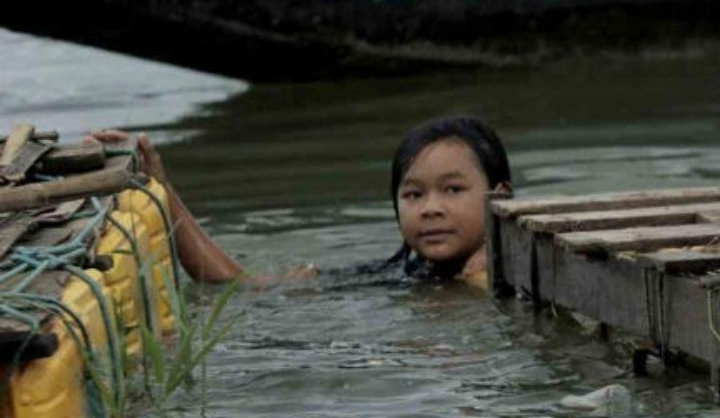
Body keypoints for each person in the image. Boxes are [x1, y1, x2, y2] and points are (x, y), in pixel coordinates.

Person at [90, 115, 513, 289]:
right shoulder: (400, 275)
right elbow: (238, 287)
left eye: (453, 190)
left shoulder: (512, 279)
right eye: (413, 194)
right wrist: (162, 190)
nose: (430, 208)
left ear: (500, 197)